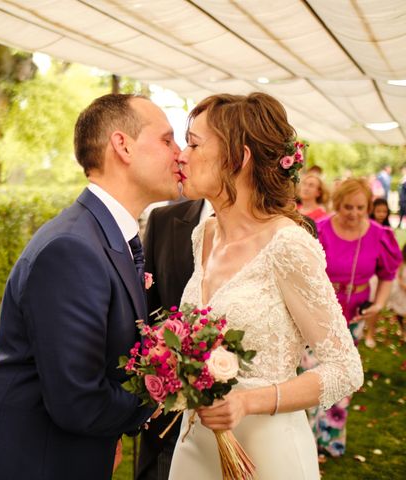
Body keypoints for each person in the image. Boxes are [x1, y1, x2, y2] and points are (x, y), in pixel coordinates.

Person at [0, 93, 182, 479]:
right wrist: (159, 399)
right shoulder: (73, 248)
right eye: (166, 140)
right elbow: (77, 398)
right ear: (122, 146)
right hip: (33, 462)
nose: (180, 154)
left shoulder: (104, 236)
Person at [168, 92, 363, 480]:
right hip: (195, 449)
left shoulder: (287, 244)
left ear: (238, 158)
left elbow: (346, 368)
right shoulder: (203, 235)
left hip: (267, 456)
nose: (181, 155)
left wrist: (248, 402)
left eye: (193, 143)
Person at [301, 178, 400, 458]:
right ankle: (306, 442)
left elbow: (387, 274)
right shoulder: (319, 230)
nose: (354, 213)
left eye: (360, 207)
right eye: (347, 207)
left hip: (353, 318)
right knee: (310, 377)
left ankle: (331, 441)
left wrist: (378, 304)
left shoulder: (380, 235)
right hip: (317, 316)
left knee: (341, 380)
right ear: (336, 205)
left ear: (368, 205)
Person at [136, 198, 209, 480]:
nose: (183, 157)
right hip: (166, 420)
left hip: (248, 422)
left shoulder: (288, 230)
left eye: (194, 148)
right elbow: (145, 311)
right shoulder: (162, 219)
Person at [387, 244, 406, 342]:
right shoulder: (402, 263)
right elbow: (398, 276)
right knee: (401, 312)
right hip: (402, 292)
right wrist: (403, 285)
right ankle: (403, 330)